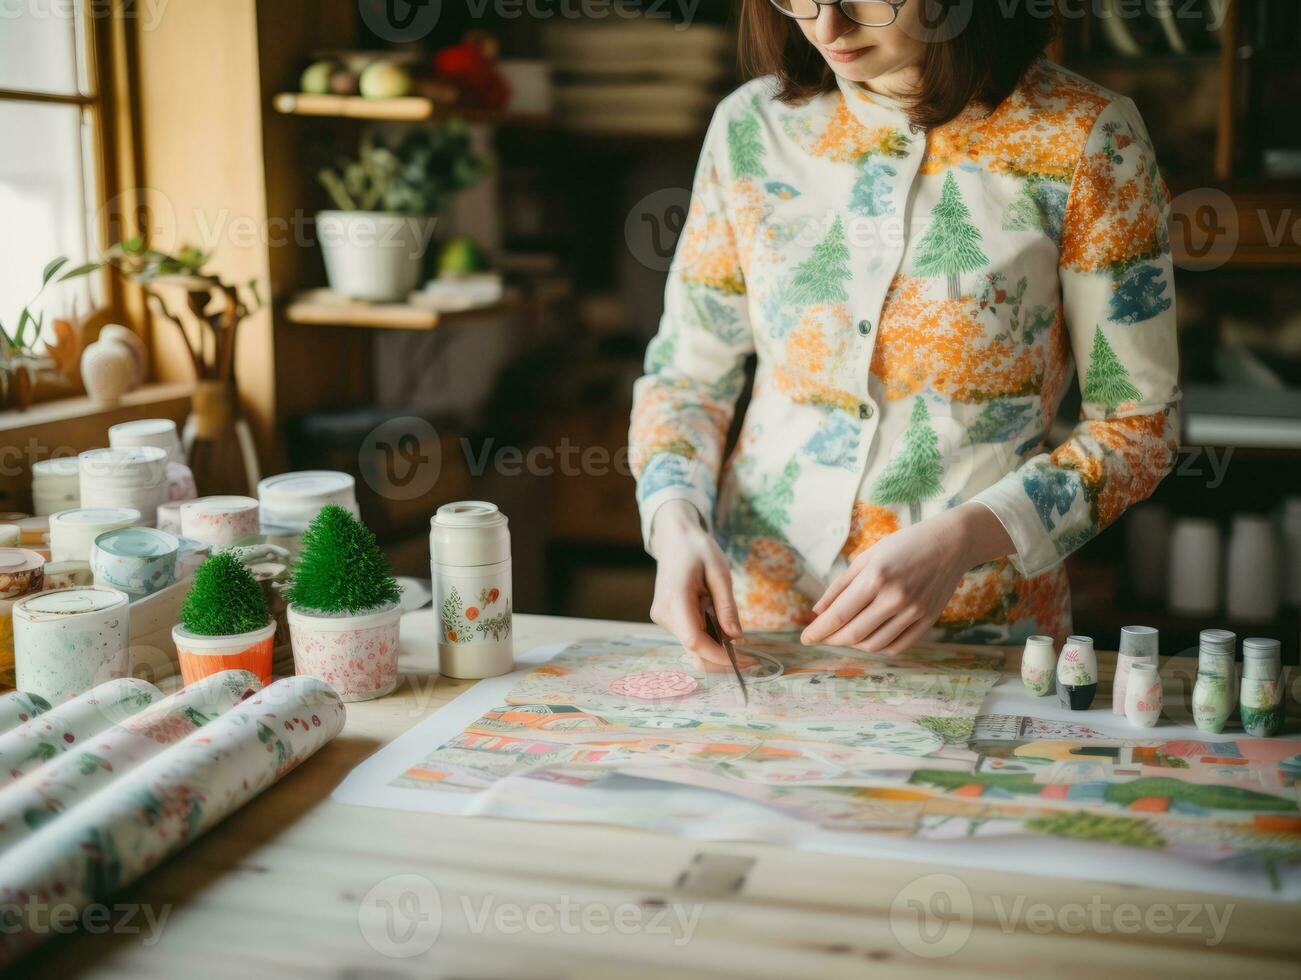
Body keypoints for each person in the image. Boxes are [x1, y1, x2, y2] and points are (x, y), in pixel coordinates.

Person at [629, 0, 1180, 671]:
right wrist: (672, 517)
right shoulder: (751, 126)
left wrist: (963, 538)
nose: (825, 26)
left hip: (976, 635)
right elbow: (688, 376)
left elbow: (1137, 428)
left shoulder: (1085, 136)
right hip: (755, 628)